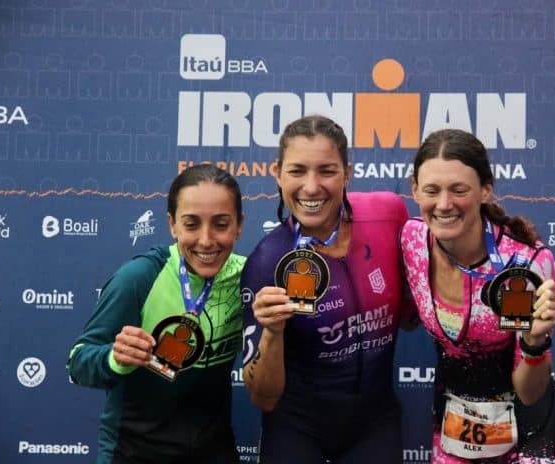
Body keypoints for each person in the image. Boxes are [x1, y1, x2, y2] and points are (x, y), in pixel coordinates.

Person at [241, 115, 416, 463]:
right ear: (277, 173)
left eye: (327, 171)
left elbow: (410, 318)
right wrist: (272, 332)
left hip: (375, 424)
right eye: (297, 171)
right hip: (296, 428)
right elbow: (262, 398)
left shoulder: (388, 213)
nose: (311, 187)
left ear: (347, 174)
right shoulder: (267, 262)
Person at [400, 129, 555, 463]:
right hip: (452, 425)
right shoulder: (412, 240)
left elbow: (530, 392)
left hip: (530, 433)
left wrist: (534, 342)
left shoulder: (523, 264)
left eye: (459, 190)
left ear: (485, 190)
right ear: (415, 190)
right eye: (432, 190)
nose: (444, 204)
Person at [66, 164, 245, 464]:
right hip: (134, 451)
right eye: (191, 224)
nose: (206, 240)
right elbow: (77, 362)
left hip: (214, 451)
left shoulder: (249, 279)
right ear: (172, 225)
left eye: (221, 224)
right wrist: (115, 358)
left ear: (239, 225)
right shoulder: (140, 278)